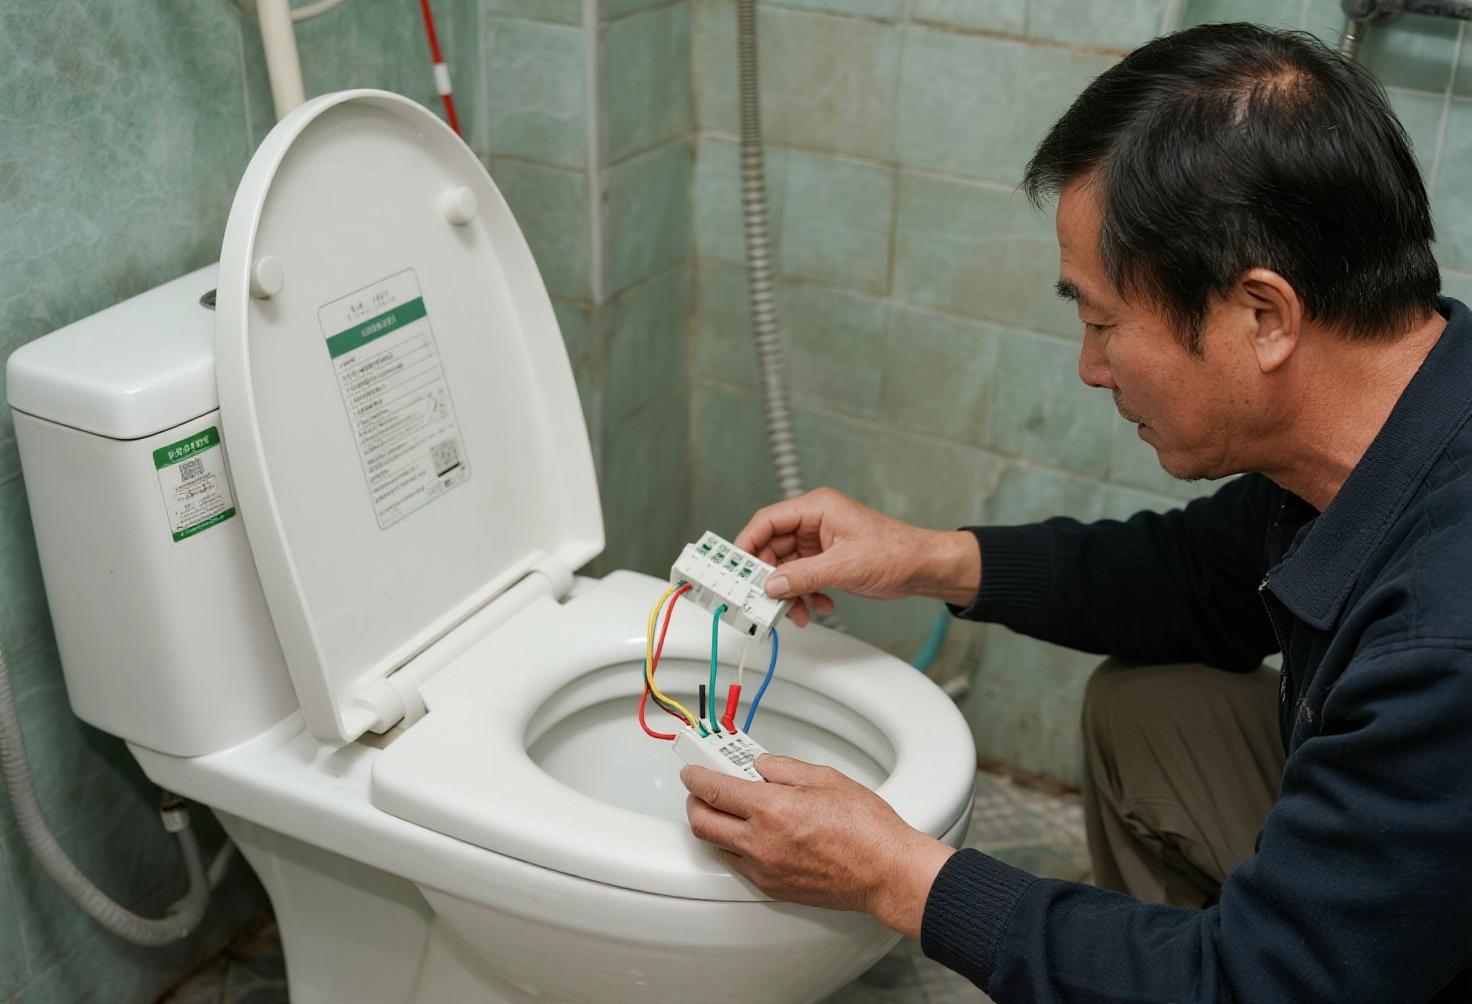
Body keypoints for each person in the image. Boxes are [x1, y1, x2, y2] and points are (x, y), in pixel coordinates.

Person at [678, 22, 1472, 1002]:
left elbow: (1256, 984)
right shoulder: (1406, 411)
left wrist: (896, 874)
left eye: (1102, 321)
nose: (1090, 367)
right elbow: (1194, 575)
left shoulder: (1442, 636)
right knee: (1149, 712)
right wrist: (925, 556)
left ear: (1262, 316)